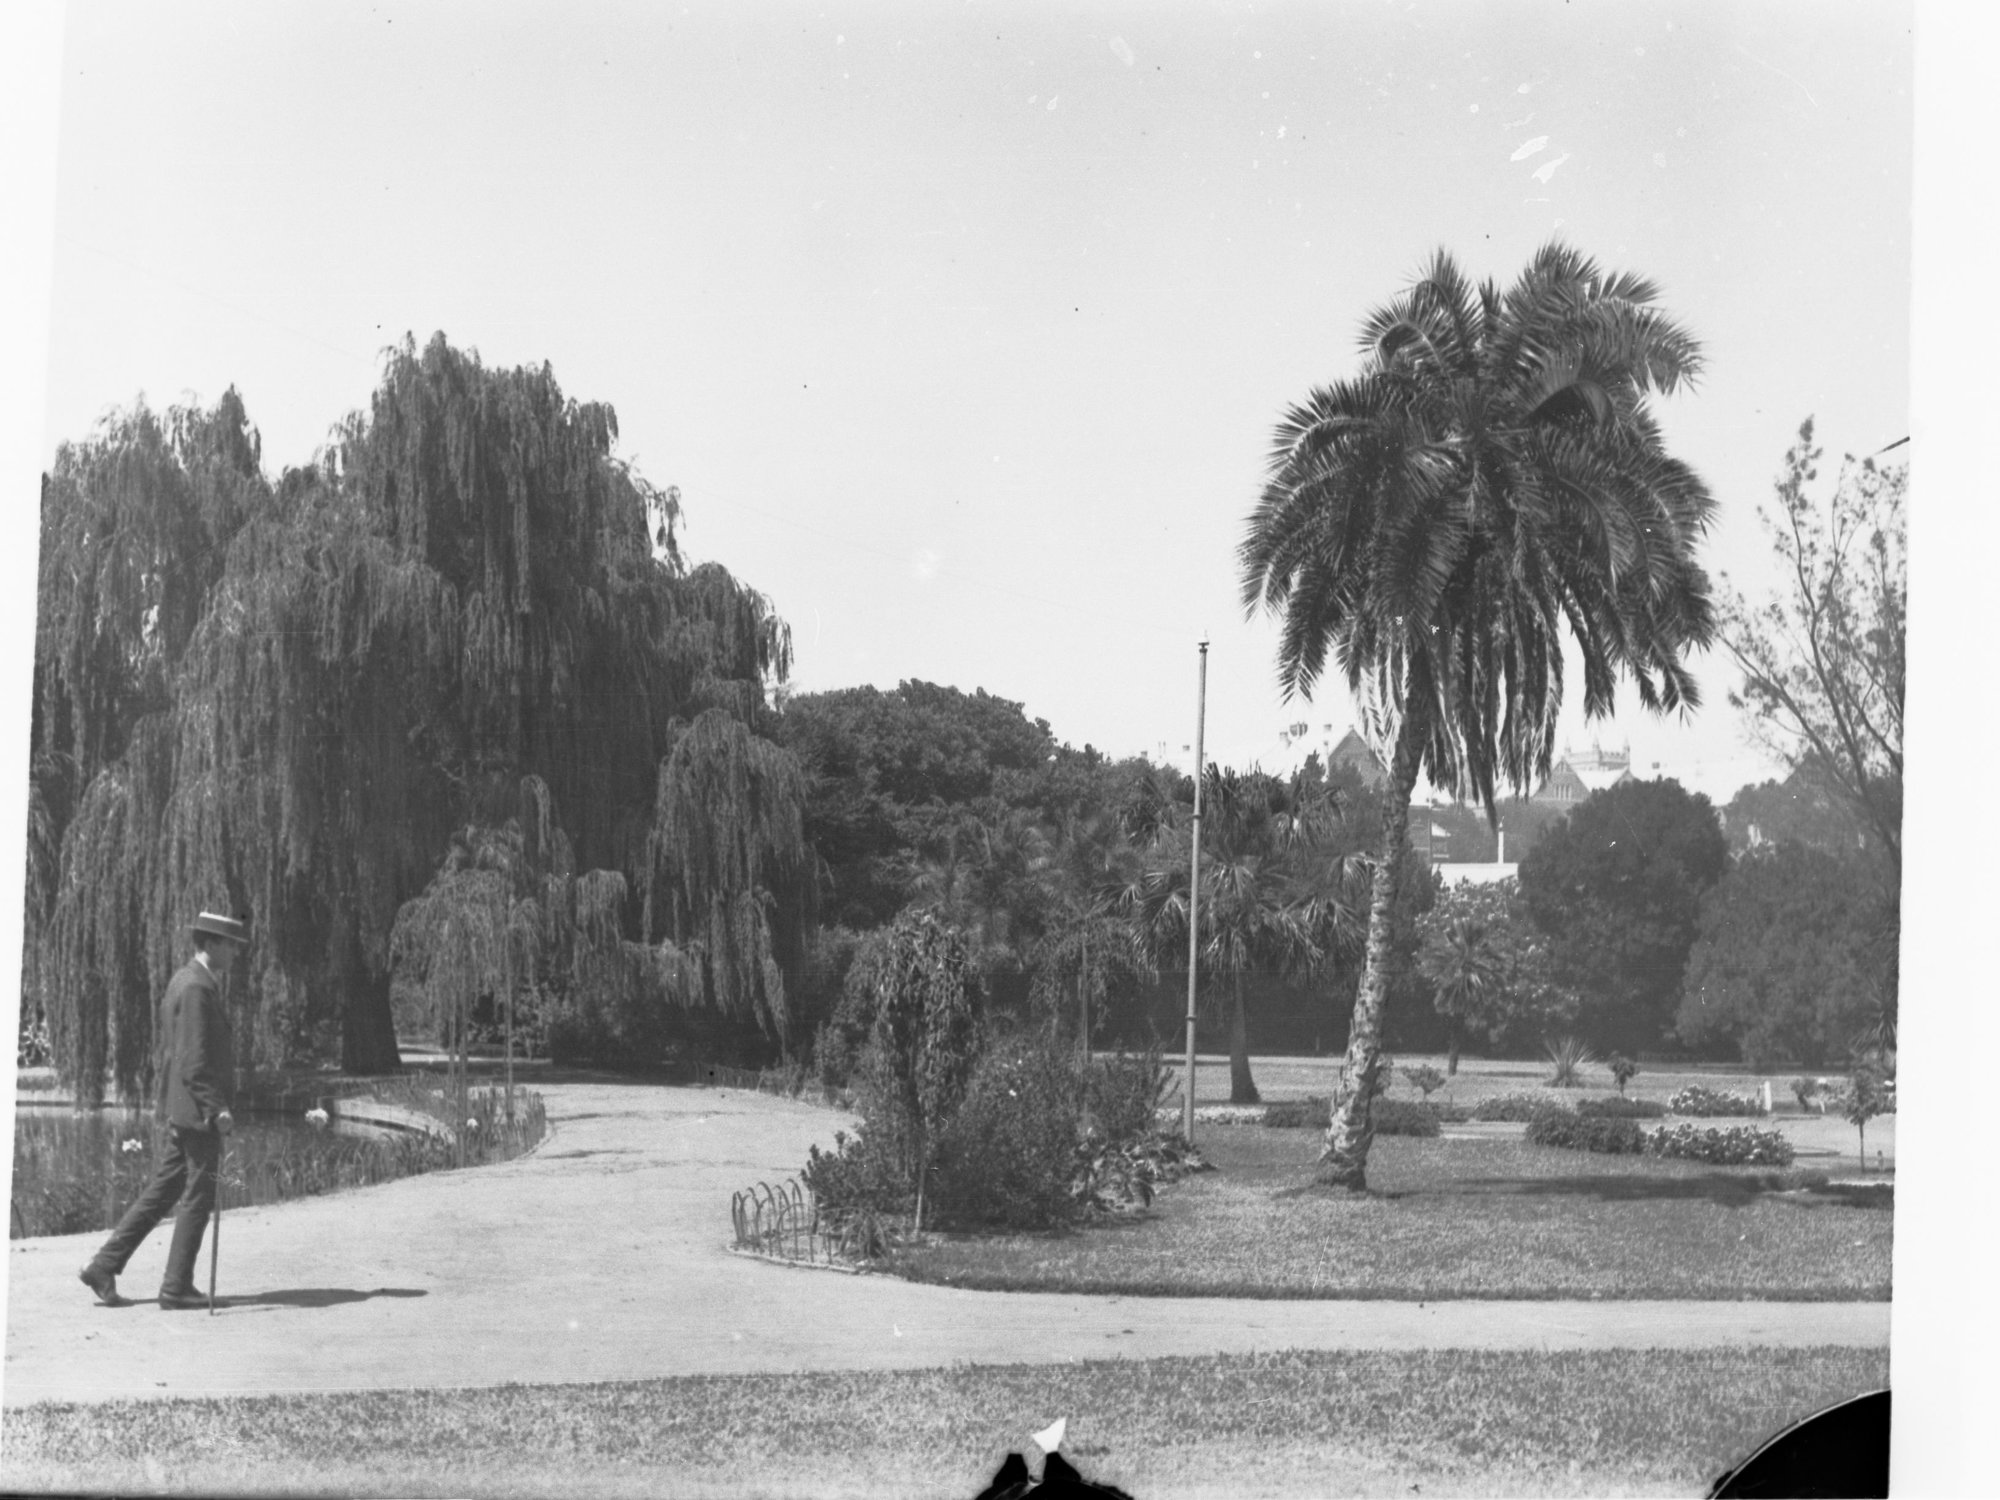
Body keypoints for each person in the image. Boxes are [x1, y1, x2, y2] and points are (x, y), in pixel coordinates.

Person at [78, 910, 249, 1310]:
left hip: (185, 1110)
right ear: (210, 944)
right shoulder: (195, 989)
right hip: (198, 1113)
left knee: (163, 1192)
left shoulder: (188, 980)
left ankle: (103, 1266)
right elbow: (192, 1060)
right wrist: (216, 1108)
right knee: (197, 1197)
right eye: (231, 945)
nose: (236, 953)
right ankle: (176, 1286)